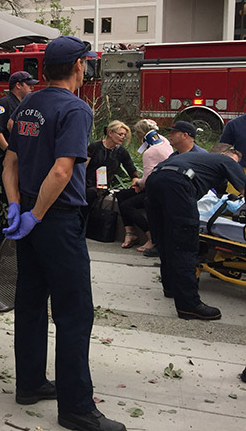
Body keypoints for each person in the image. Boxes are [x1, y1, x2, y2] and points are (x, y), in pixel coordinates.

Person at [2, 35, 128, 431]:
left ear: (43, 71)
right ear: (78, 67)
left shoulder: (28, 105)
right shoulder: (76, 108)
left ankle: (31, 383)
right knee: (75, 313)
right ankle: (76, 409)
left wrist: (16, 206)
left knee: (32, 302)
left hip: (31, 216)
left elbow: (11, 162)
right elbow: (61, 171)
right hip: (55, 219)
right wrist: (36, 215)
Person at [144, 145, 245, 319]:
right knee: (185, 244)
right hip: (179, 183)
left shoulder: (192, 159)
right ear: (224, 155)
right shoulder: (226, 160)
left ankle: (171, 287)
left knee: (166, 238)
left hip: (156, 179)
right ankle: (188, 305)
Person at [0, 70, 38, 247]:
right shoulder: (4, 104)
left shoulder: (25, 104)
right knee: (5, 199)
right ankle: (1, 242)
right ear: (18, 85)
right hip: (5, 160)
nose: (32, 87)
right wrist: (10, 151)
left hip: (22, 161)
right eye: (28, 84)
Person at [116, 119, 173, 253]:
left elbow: (147, 181)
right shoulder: (164, 141)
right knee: (121, 195)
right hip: (163, 184)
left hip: (156, 190)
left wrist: (138, 183)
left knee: (126, 205)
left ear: (139, 134)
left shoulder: (150, 152)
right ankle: (130, 233)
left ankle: (151, 236)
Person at [84, 120, 139, 218]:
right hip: (86, 182)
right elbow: (83, 167)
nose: (123, 137)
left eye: (124, 135)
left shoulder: (121, 151)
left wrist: (135, 181)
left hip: (101, 187)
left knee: (90, 194)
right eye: (120, 134)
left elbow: (131, 169)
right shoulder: (95, 147)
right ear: (110, 133)